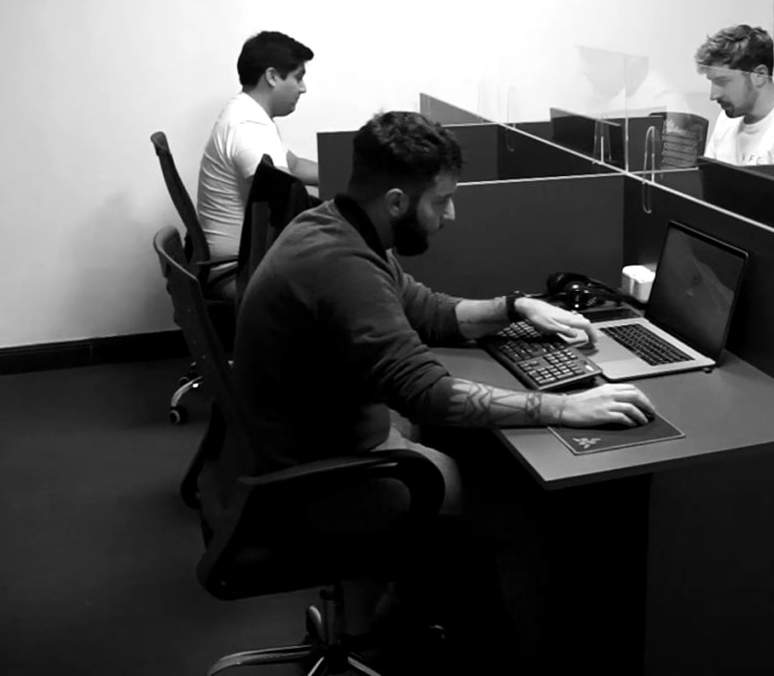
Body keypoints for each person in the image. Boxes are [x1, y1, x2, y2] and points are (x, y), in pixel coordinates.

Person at [228, 110, 655, 668]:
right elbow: (425, 394)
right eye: (441, 201)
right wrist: (567, 406)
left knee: (481, 473)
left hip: (320, 447)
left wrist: (515, 306)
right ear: (400, 201)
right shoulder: (339, 264)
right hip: (319, 478)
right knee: (511, 507)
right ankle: (421, 643)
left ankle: (405, 614)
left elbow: (426, 311)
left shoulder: (339, 225)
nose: (450, 215)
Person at [196, 30, 321, 263]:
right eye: (298, 77)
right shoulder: (248, 126)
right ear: (272, 77)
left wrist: (348, 174)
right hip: (239, 270)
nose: (303, 88)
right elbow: (286, 202)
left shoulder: (246, 111)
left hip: (247, 260)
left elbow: (294, 165)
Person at [697, 24, 774, 165]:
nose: (713, 95)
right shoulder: (726, 121)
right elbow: (705, 183)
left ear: (759, 75)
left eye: (722, 82)